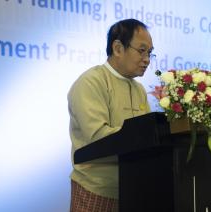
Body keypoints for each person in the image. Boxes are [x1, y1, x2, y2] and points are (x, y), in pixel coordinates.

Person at [67, 19, 155, 212]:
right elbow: (98, 137)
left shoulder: (139, 89)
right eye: (141, 51)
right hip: (96, 190)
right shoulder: (91, 82)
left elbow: (149, 135)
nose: (147, 59)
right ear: (117, 48)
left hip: (133, 190)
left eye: (149, 52)